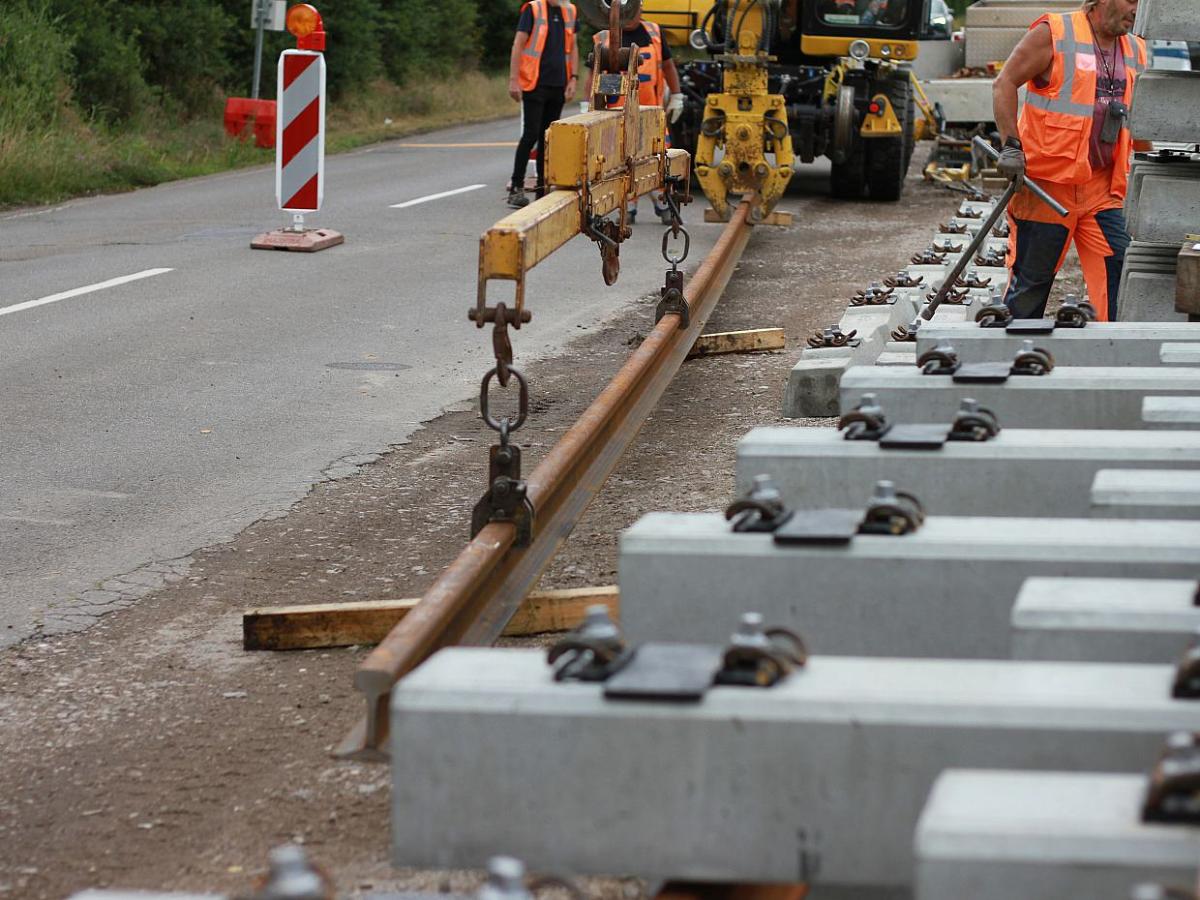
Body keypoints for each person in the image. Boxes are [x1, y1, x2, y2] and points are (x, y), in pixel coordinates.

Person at [992, 0, 1147, 321]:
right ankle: (1015, 358)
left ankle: (1113, 356)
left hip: (1103, 189)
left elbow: (1139, 117)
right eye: (1132, 0)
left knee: (1119, 272)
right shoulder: (1054, 33)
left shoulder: (1135, 48)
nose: (1138, 9)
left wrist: (1151, 165)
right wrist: (1011, 146)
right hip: (1046, 188)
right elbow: (1004, 83)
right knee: (1031, 284)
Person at [583, 11, 683, 223]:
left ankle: (663, 203)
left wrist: (676, 95)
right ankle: (627, 206)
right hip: (618, 116)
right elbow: (593, 73)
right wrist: (586, 103)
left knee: (659, 159)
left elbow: (667, 65)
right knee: (622, 162)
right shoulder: (604, 38)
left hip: (653, 115)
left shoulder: (654, 32)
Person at [507, 0, 579, 209]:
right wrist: (514, 79)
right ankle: (516, 187)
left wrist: (573, 78)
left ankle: (542, 189)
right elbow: (518, 44)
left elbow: (573, 46)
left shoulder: (570, 11)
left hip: (558, 83)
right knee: (531, 135)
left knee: (547, 139)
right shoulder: (533, 9)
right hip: (534, 83)